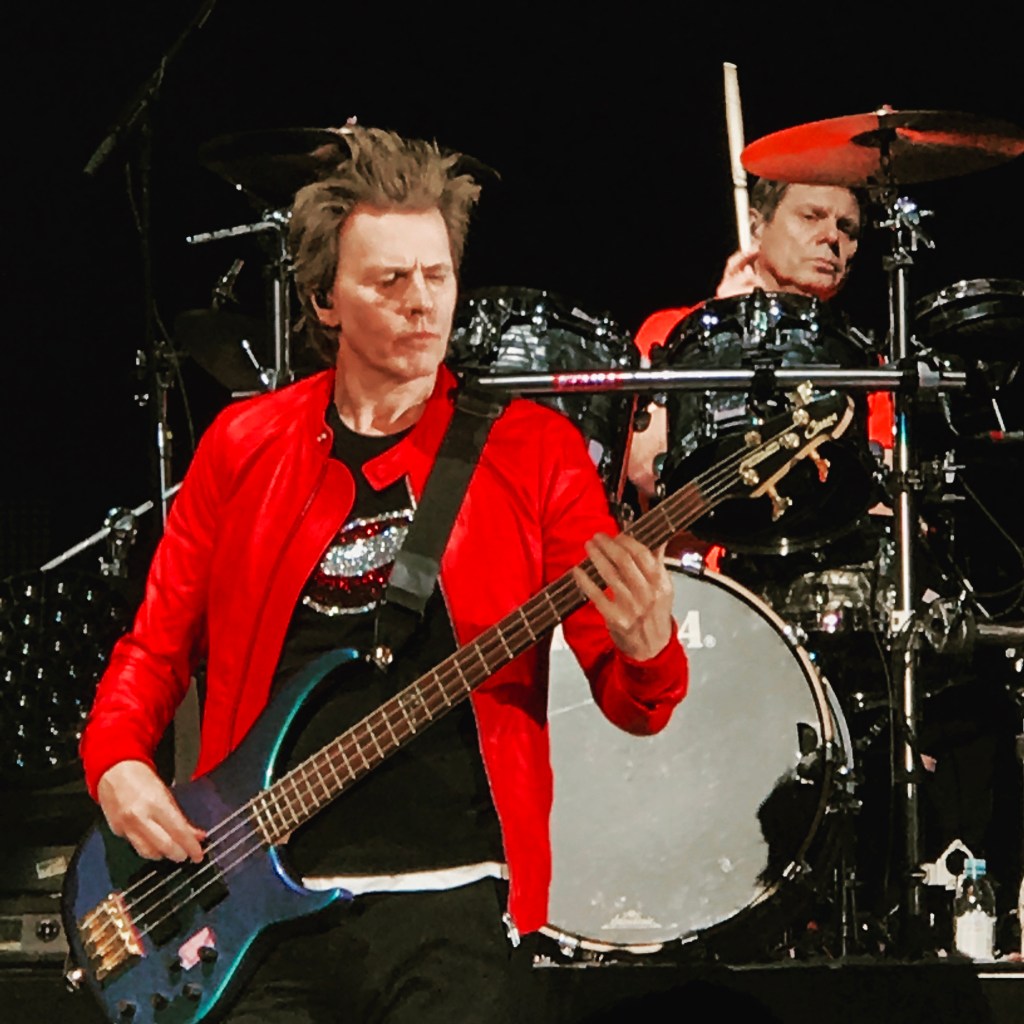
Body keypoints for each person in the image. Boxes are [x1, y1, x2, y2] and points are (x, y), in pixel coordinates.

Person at [76, 126, 688, 1023]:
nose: (421, 303)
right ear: (323, 299)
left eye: (437, 276)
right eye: (389, 280)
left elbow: (635, 702)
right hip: (250, 908)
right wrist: (117, 763)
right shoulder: (244, 445)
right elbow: (154, 648)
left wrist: (647, 649)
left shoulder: (533, 452)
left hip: (452, 904)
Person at [627, 177, 885, 501]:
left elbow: (880, 497)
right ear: (756, 226)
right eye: (811, 216)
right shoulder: (670, 331)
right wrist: (721, 343)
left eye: (847, 227)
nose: (832, 237)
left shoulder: (861, 362)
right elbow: (644, 469)